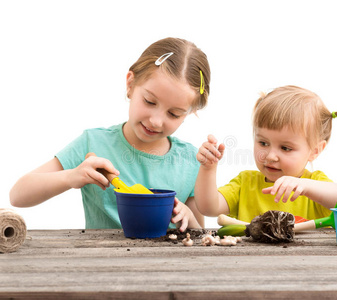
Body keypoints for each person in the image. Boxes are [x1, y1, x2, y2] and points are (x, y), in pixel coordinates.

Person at [10, 37, 211, 232]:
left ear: (189, 113)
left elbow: (199, 236)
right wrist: (71, 177)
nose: (156, 121)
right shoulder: (93, 143)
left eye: (174, 114)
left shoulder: (192, 161)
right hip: (101, 264)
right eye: (150, 101)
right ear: (130, 85)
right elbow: (18, 195)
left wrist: (189, 217)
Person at [194, 85, 337, 222]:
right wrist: (208, 169)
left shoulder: (315, 184)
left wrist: (305, 187)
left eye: (285, 148)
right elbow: (209, 207)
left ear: (315, 151)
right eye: (263, 143)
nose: (270, 156)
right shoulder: (245, 184)